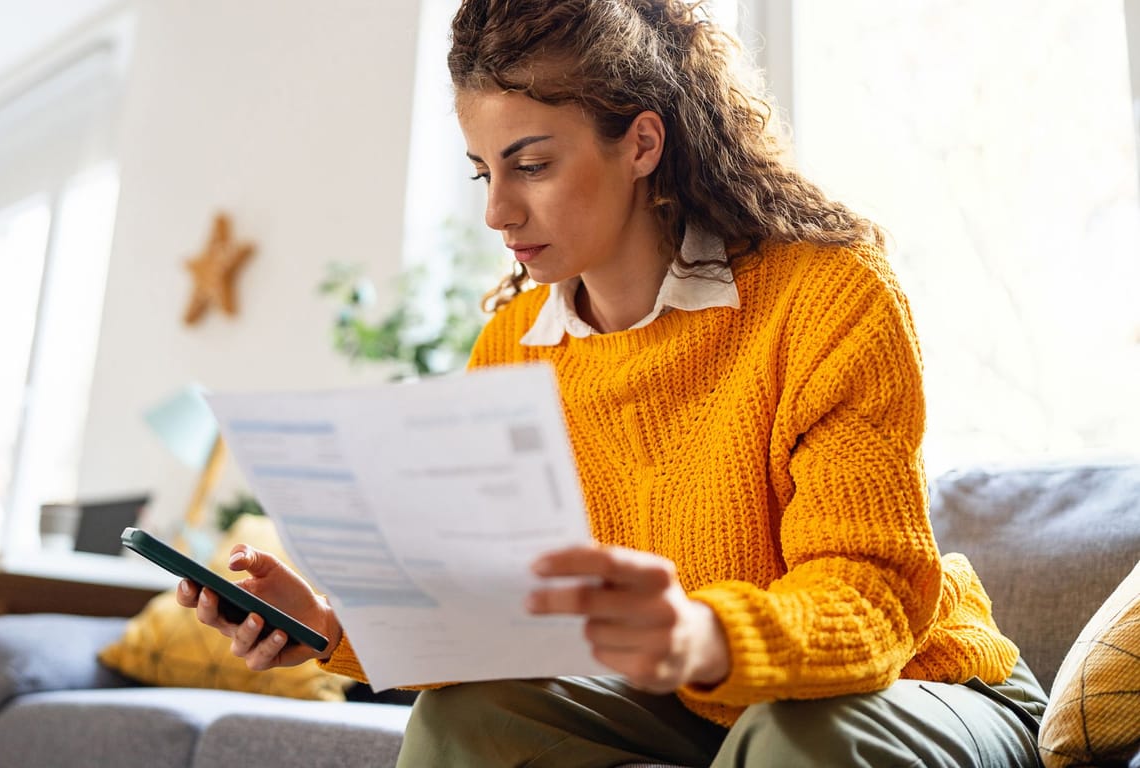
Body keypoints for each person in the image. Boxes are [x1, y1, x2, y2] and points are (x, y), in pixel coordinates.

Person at [177, 1, 1049, 765]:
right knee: (467, 717)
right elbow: (490, 613)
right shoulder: (516, 345)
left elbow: (873, 593)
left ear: (640, 141)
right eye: (485, 171)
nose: (497, 211)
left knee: (792, 735)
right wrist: (331, 627)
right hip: (694, 706)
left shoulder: (830, 294)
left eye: (532, 164)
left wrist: (700, 635)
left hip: (921, 686)